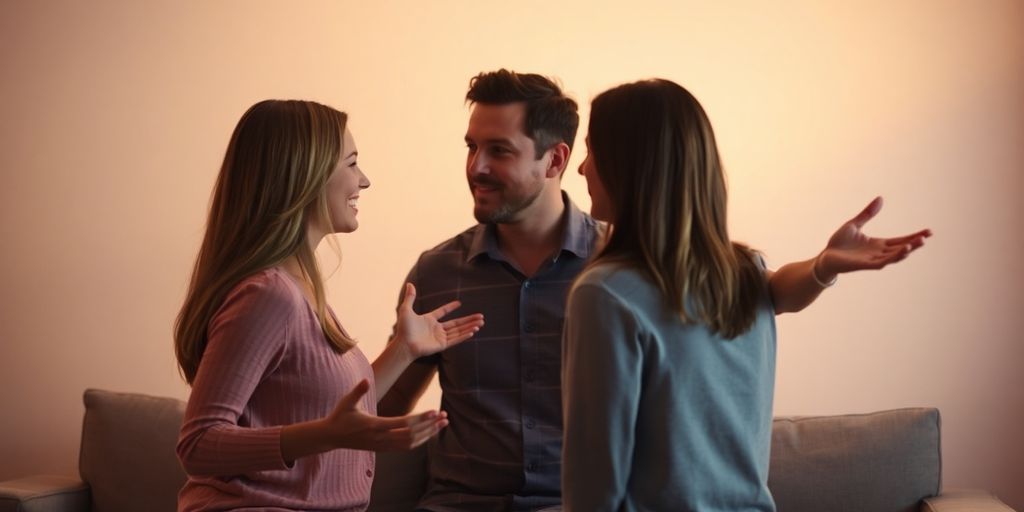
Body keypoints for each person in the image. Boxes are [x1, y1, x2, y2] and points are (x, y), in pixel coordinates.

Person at [561, 79, 931, 511]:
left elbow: (593, 481)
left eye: (591, 151)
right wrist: (823, 265)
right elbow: (779, 289)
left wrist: (824, 265)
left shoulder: (604, 295)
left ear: (630, 164)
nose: (582, 169)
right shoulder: (740, 275)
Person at [173, 99, 484, 511]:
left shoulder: (296, 290)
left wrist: (403, 350)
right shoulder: (268, 295)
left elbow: (335, 410)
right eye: (352, 163)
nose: (365, 181)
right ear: (305, 175)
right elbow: (198, 443)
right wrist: (327, 435)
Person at [377, 70, 596, 511]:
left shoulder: (620, 266)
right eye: (472, 147)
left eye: (499, 150)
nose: (476, 166)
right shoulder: (437, 272)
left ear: (555, 161)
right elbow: (384, 409)